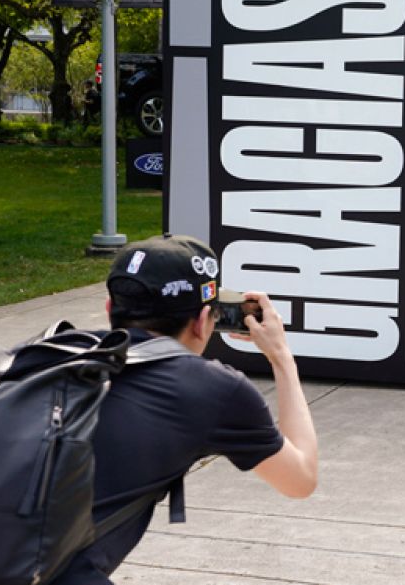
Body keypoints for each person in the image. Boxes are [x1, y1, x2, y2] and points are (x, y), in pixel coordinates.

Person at [51, 234, 318, 583]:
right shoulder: (211, 388)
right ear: (204, 319)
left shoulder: (51, 353)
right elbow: (301, 479)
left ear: (109, 310)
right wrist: (281, 357)